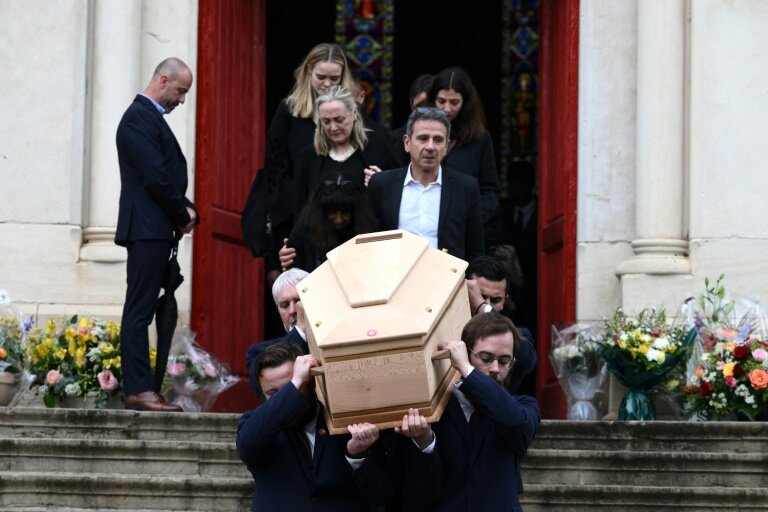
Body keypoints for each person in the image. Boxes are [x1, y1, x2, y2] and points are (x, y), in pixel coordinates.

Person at [115, 57, 198, 412]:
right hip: (147, 229)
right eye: (180, 91)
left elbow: (162, 176)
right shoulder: (138, 118)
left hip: (155, 228)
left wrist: (187, 210)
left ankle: (144, 387)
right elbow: (156, 177)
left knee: (145, 306)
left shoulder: (148, 119)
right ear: (163, 80)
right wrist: (182, 214)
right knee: (139, 309)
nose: (181, 100)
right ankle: (138, 388)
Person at [397, 313, 540, 511]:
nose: (495, 368)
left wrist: (466, 368)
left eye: (504, 360)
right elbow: (423, 486)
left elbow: (514, 423)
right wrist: (424, 442)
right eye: (486, 358)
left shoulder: (524, 407)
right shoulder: (437, 408)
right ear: (465, 352)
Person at [237, 342, 391, 511]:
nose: (288, 397)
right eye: (274, 394)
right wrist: (295, 382)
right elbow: (248, 444)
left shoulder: (344, 419)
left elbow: (380, 491)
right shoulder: (254, 426)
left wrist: (358, 455)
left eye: (293, 386)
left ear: (311, 381)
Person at [367, 107, 485, 261]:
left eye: (438, 140)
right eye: (423, 138)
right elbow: (367, 244)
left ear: (446, 147)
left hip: (447, 280)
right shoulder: (382, 184)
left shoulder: (466, 187)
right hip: (394, 280)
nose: (430, 147)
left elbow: (475, 250)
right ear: (407, 143)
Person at [293, 85, 396, 209]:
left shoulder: (381, 146)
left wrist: (382, 182)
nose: (333, 127)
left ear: (354, 114)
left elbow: (398, 196)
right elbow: (300, 212)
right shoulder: (307, 157)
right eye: (326, 121)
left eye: (339, 120)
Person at [428, 66, 501, 226]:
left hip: (464, 228)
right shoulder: (417, 133)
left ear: (465, 102)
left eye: (454, 102)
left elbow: (490, 190)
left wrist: (473, 220)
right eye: (441, 101)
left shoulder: (480, 138)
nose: (447, 109)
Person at [279, 172, 379, 273]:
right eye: (332, 212)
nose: (339, 219)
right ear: (321, 212)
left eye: (345, 213)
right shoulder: (305, 228)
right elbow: (291, 271)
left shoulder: (367, 229)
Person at [466, 254, 537, 395]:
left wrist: (482, 308)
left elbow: (526, 360)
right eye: (481, 296)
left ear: (505, 302)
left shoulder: (520, 334)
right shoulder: (449, 327)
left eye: (495, 300)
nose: (487, 303)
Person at [245, 268, 309, 394]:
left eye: (299, 301)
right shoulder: (257, 352)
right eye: (285, 305)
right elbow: (260, 387)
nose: (292, 311)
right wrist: (300, 332)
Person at [390, 73, 434, 168]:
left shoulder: (454, 140)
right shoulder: (391, 142)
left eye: (431, 105)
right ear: (411, 104)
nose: (426, 112)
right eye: (421, 105)